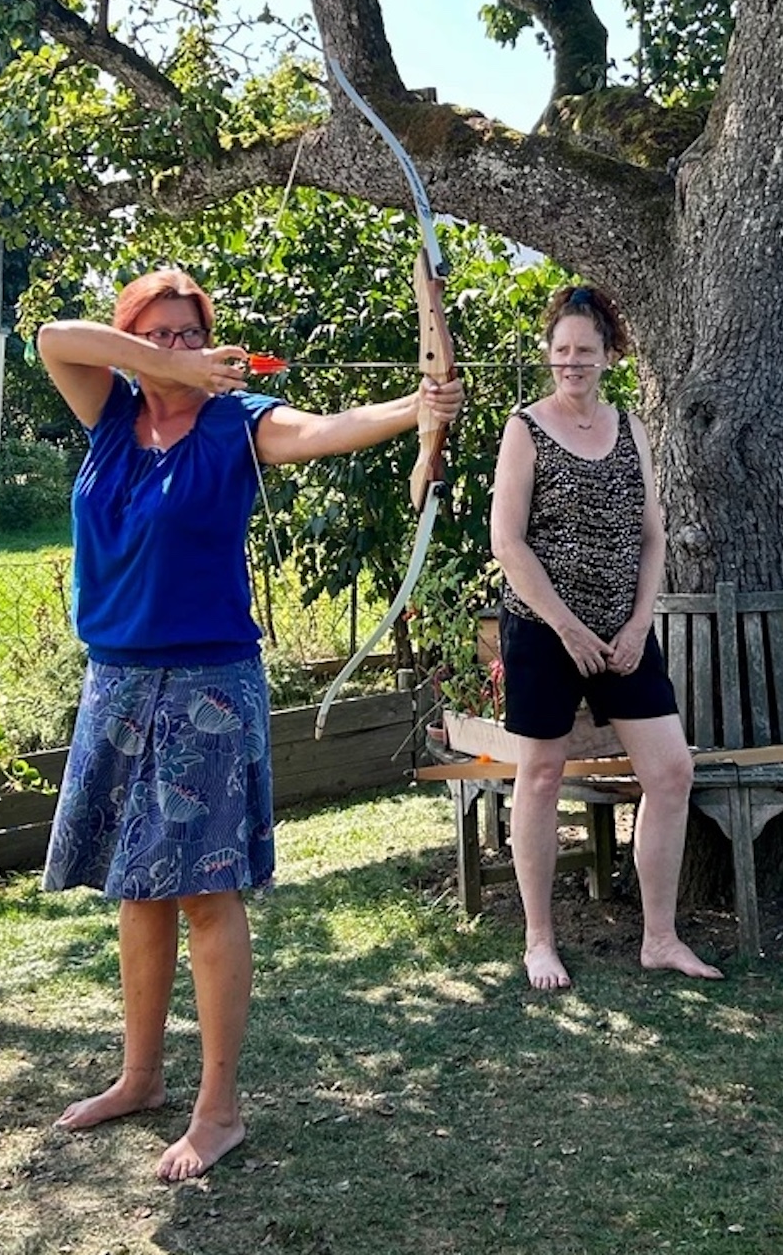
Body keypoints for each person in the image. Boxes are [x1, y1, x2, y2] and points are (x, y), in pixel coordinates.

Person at [37, 269, 464, 1181]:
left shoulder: (238, 421)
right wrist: (159, 363)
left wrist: (417, 410)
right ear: (135, 340)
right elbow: (54, 338)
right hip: (117, 680)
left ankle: (218, 1111)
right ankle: (140, 1077)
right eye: (163, 333)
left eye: (194, 333)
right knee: (137, 889)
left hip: (208, 684)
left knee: (205, 892)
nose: (182, 347)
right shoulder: (110, 413)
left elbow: (323, 431)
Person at [489, 284, 723, 992]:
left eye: (584, 350)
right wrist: (567, 627)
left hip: (624, 635)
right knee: (540, 776)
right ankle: (538, 940)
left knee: (672, 773)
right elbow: (508, 542)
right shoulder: (525, 429)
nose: (571, 362)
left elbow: (652, 536)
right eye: (560, 350)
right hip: (544, 631)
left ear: (609, 355)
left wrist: (638, 623)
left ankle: (660, 938)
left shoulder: (631, 429)